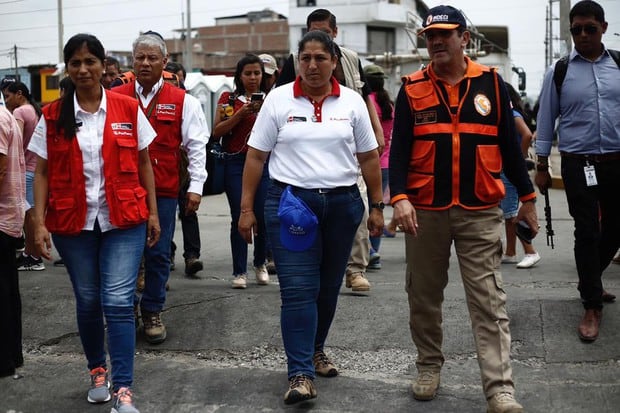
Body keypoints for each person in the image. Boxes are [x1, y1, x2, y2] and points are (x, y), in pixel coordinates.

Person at [389, 6, 537, 412]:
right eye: (430, 35)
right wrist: (398, 198)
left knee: (489, 301)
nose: (436, 41)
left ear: (464, 38)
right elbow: (397, 151)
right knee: (423, 296)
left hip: (480, 209)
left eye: (445, 34)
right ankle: (428, 365)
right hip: (425, 211)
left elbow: (509, 147)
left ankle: (499, 389)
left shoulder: (492, 85)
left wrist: (526, 199)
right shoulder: (412, 88)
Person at [239, 30, 383, 405]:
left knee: (328, 285)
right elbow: (256, 156)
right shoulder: (278, 100)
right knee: (298, 289)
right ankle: (299, 372)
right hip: (291, 206)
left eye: (321, 58)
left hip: (342, 205)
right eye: (306, 58)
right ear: (297, 62)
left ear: (334, 61)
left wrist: (378, 207)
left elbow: (369, 157)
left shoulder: (352, 102)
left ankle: (316, 349)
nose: (313, 65)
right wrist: (245, 209)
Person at [29, 33, 160, 413]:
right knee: (88, 300)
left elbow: (144, 163)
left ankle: (123, 390)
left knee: (118, 302)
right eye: (76, 63)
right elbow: (41, 173)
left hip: (124, 220)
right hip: (73, 224)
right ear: (67, 69)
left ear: (104, 66)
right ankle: (97, 369)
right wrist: (38, 222)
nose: (84, 69)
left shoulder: (126, 107)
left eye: (91, 62)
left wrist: (152, 211)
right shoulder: (52, 114)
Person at [277, 8, 385, 292]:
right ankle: (315, 268)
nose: (318, 36)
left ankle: (356, 270)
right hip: (303, 153)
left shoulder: (350, 59)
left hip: (348, 144)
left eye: (324, 31)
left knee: (357, 206)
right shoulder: (294, 61)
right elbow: (277, 101)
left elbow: (364, 98)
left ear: (334, 33)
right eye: (313, 30)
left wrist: (376, 132)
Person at [112, 31, 208, 344]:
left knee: (157, 253)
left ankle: (152, 310)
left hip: (165, 191)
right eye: (139, 57)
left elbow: (196, 146)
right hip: (122, 189)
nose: (145, 63)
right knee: (123, 255)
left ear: (164, 62)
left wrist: (195, 186)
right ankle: (127, 310)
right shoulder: (116, 96)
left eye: (153, 57)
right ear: (131, 60)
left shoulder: (184, 101)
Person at [535, 0, 620, 342]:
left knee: (615, 228)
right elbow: (545, 121)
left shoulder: (618, 65)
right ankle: (591, 303)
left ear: (604, 27)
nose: (583, 35)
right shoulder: (559, 71)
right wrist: (541, 165)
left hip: (616, 162)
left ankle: (590, 280)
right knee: (586, 231)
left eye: (590, 29)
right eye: (576, 30)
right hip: (577, 163)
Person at [211, 54, 270, 289]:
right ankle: (239, 271)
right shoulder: (228, 99)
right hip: (235, 163)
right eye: (248, 73)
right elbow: (217, 132)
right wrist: (241, 114)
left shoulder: (271, 100)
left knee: (263, 216)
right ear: (240, 76)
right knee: (240, 215)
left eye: (257, 73)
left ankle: (260, 263)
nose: (253, 78)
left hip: (264, 164)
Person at [163, 60, 203, 276]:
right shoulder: (156, 102)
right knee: (164, 213)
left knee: (188, 211)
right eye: (169, 79)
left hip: (184, 165)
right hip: (163, 167)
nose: (174, 83)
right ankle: (166, 254)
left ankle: (192, 256)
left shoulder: (190, 103)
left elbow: (199, 140)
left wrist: (197, 183)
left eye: (177, 79)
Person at [1, 81, 44, 271]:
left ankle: (34, 256)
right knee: (31, 215)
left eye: (8, 96)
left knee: (28, 218)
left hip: (24, 171)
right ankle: (30, 254)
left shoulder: (19, 113)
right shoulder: (34, 111)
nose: (6, 100)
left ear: (20, 94)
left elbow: (12, 140)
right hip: (35, 169)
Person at [500, 83, 540, 269]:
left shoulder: (512, 115)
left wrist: (520, 157)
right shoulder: (507, 115)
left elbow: (527, 135)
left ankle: (531, 251)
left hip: (509, 170)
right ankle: (510, 252)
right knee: (509, 214)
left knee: (512, 213)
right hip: (505, 169)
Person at [0, 104, 26, 378]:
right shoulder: (5, 114)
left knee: (4, 294)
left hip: (1, 219)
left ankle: (5, 360)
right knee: (7, 292)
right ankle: (11, 356)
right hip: (7, 218)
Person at [363, 63, 394, 270]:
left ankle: (370, 252)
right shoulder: (389, 104)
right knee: (378, 207)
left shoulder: (367, 102)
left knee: (366, 207)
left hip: (370, 161)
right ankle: (375, 253)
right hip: (387, 162)